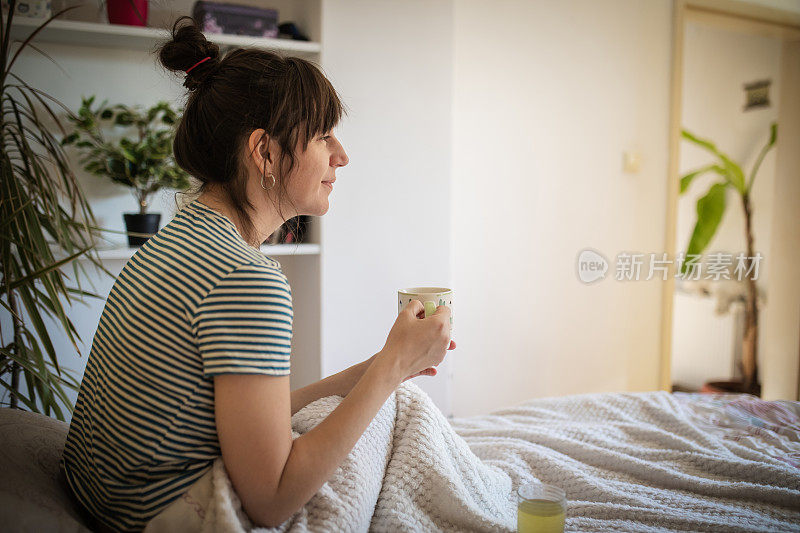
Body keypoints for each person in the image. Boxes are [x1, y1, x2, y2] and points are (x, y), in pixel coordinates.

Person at [59, 15, 455, 532]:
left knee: (388, 393)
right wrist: (388, 375)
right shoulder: (247, 280)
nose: (342, 156)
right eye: (322, 136)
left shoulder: (176, 243)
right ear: (264, 151)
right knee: (400, 411)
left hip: (110, 500)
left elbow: (244, 418)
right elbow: (270, 499)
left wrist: (384, 363)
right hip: (167, 517)